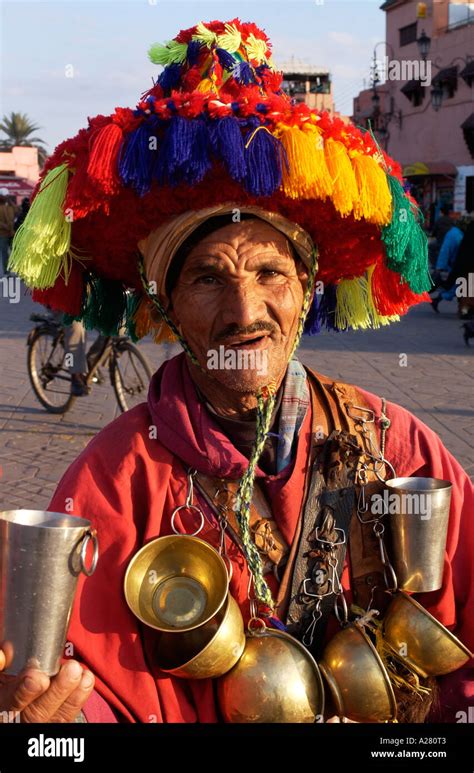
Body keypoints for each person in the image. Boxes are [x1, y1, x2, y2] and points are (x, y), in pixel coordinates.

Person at [3, 18, 473, 724]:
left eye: (269, 272)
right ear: (165, 305)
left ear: (307, 287)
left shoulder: (402, 451)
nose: (245, 310)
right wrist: (44, 725)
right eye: (208, 278)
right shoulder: (113, 483)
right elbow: (81, 697)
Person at [431, 223, 464, 313]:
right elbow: (446, 250)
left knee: (457, 286)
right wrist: (440, 267)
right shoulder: (455, 234)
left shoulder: (454, 233)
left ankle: (437, 299)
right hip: (457, 265)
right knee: (457, 286)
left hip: (456, 264)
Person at [0, 187, 15, 275]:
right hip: (2, 234)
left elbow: (18, 210)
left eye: (7, 196)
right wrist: (4, 226)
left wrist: (11, 202)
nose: (7, 197)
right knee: (4, 253)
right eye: (5, 196)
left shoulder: (9, 206)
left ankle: (17, 270)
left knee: (15, 251)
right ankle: (6, 272)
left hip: (11, 233)